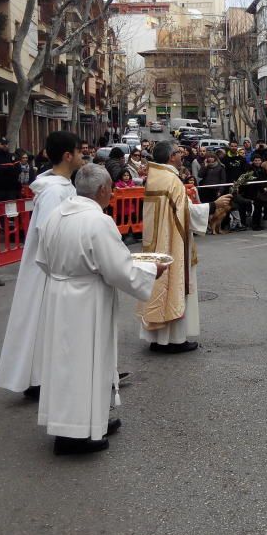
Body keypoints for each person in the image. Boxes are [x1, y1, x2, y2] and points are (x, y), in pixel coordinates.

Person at [35, 164, 168, 455]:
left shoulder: (55, 215)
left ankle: (79, 423)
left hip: (59, 296)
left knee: (64, 364)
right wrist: (150, 270)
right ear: (104, 190)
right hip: (87, 301)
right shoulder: (98, 221)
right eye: (111, 191)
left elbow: (41, 259)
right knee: (86, 363)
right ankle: (78, 435)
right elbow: (118, 270)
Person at [0, 132, 84, 399]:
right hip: (49, 268)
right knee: (42, 321)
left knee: (48, 323)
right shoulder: (54, 191)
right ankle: (37, 378)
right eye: (80, 151)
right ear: (68, 155)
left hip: (55, 267)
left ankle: (44, 375)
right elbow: (50, 233)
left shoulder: (62, 185)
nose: (83, 155)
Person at [137, 141, 232, 353]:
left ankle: (157, 338)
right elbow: (185, 214)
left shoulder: (155, 177)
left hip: (155, 242)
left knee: (158, 287)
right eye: (178, 153)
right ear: (171, 157)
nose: (181, 156)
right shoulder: (172, 180)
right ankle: (174, 340)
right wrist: (214, 206)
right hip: (171, 243)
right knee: (174, 285)